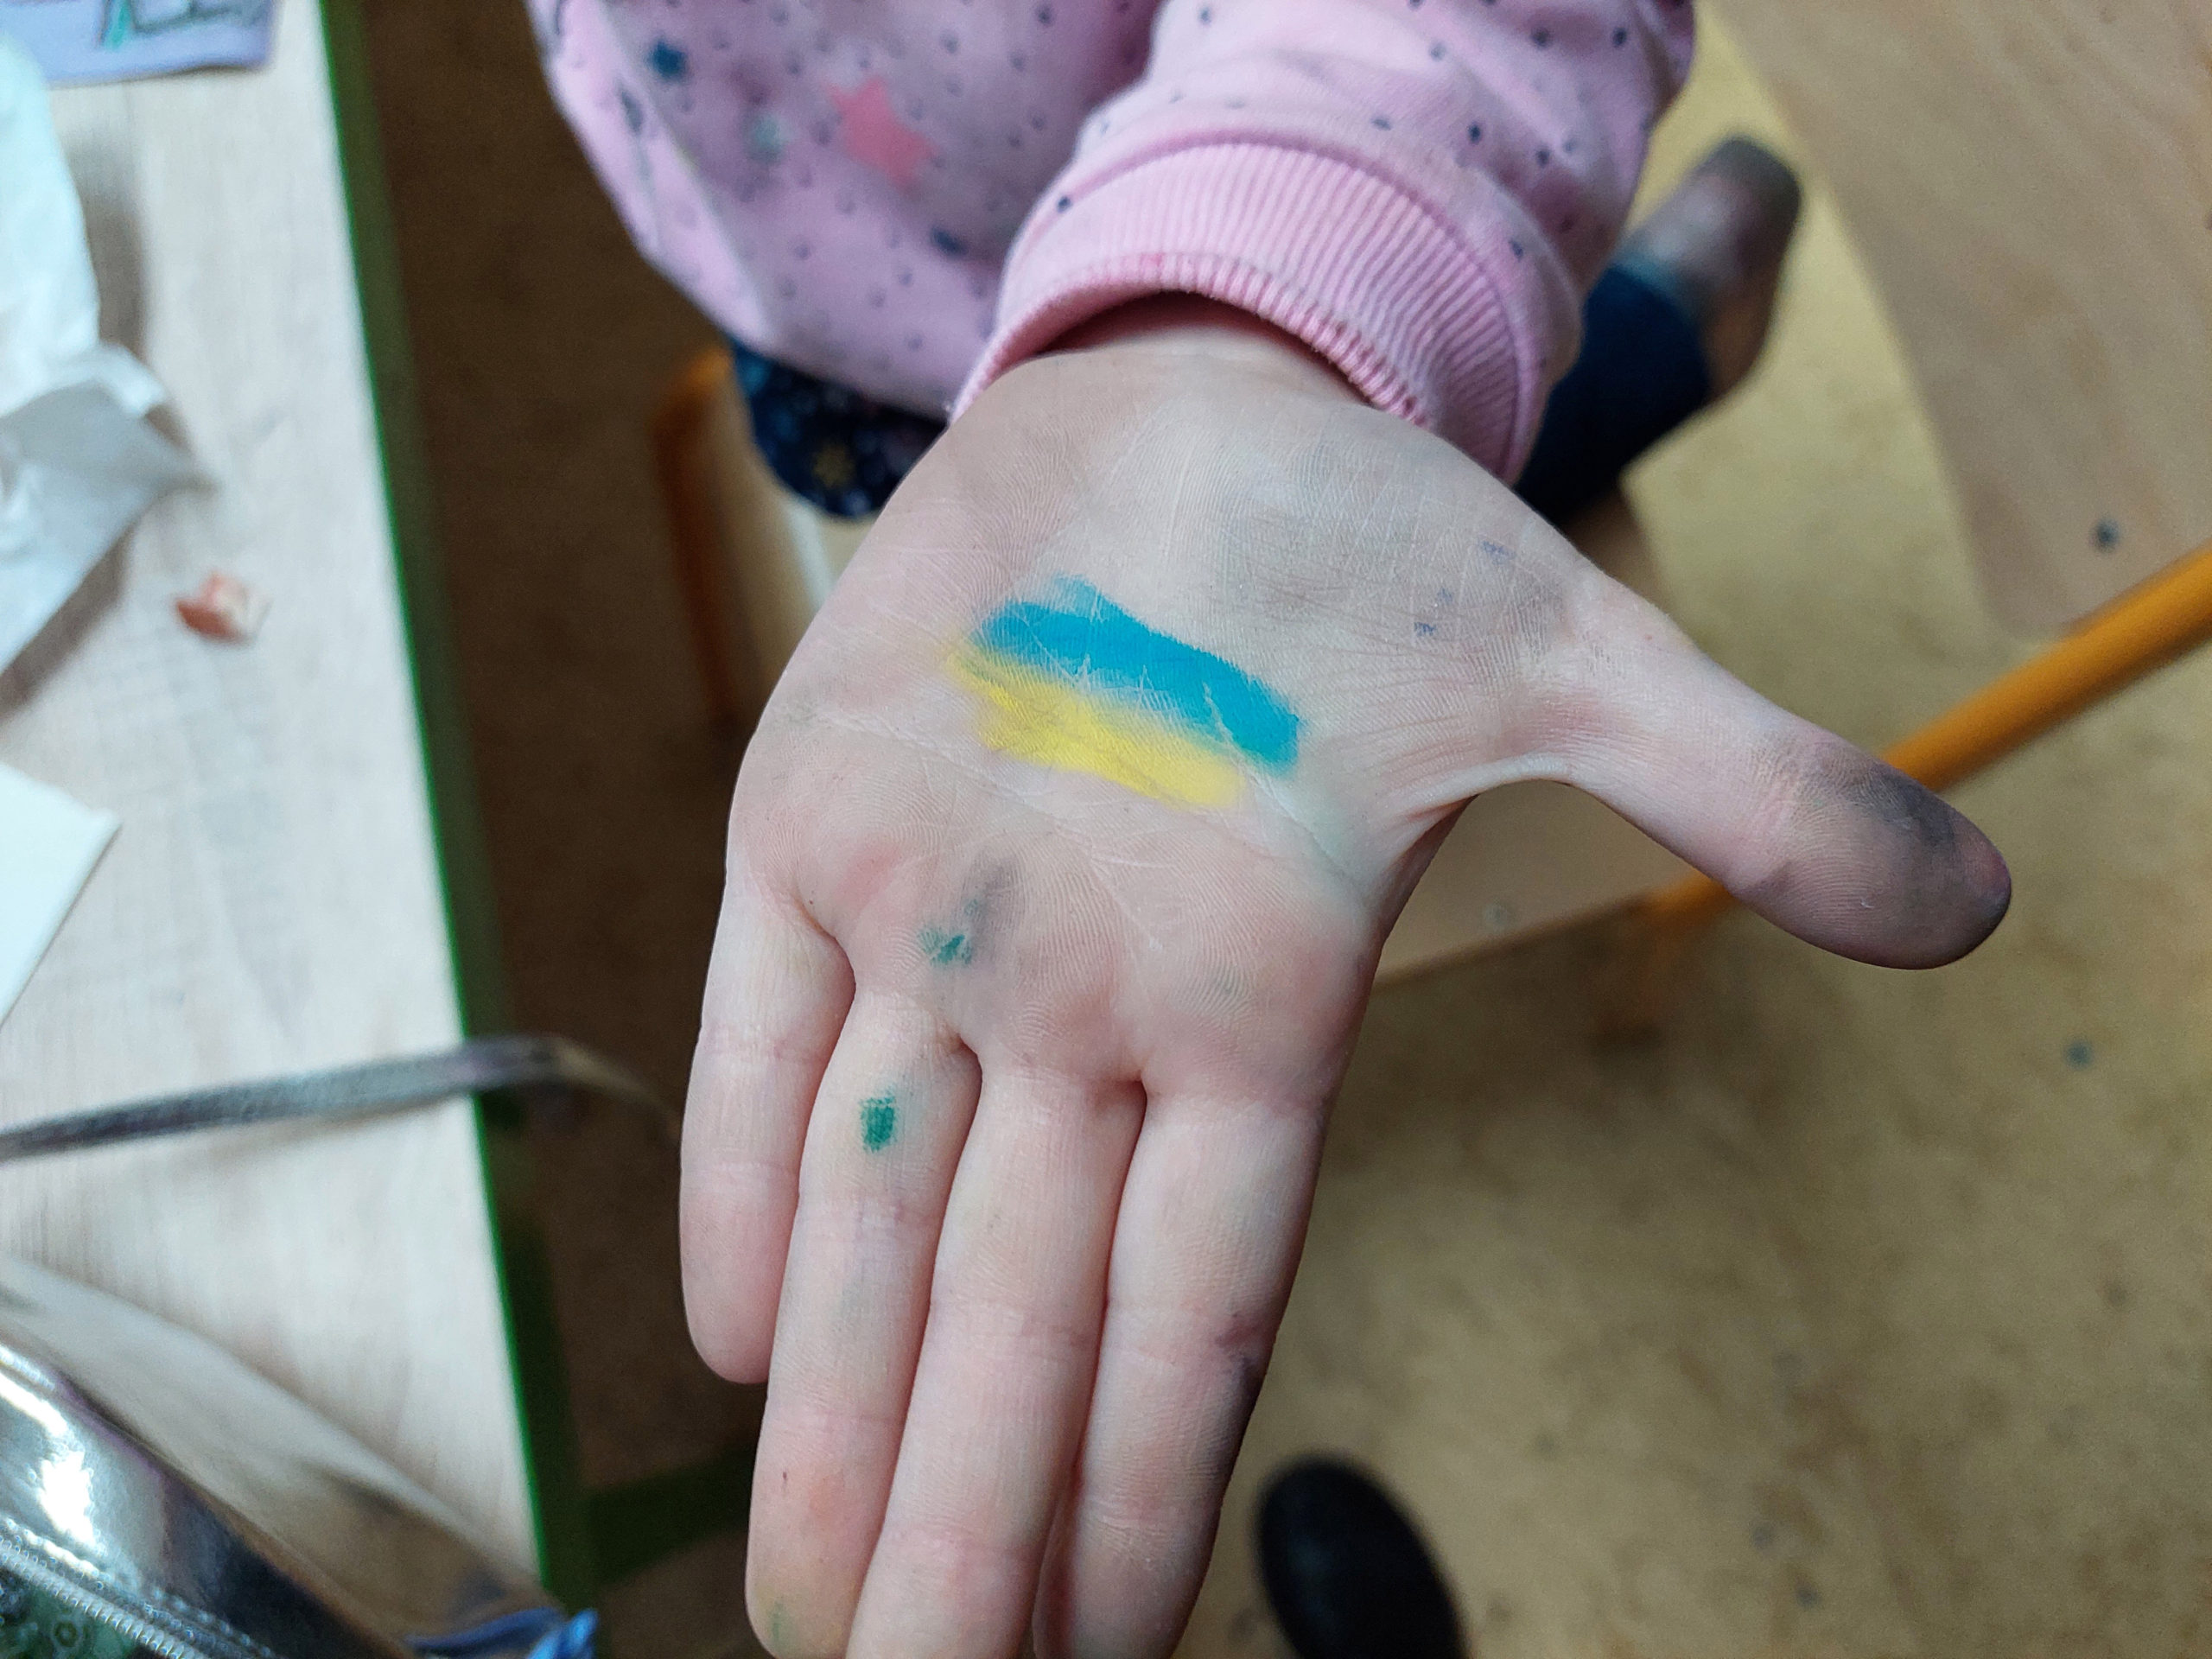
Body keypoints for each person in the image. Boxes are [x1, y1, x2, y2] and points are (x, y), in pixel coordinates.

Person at [528, 5, 2012, 1656]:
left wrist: (1247, 320)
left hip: (1314, 191)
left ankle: (1652, 338)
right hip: (817, 289)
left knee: (1424, 528)